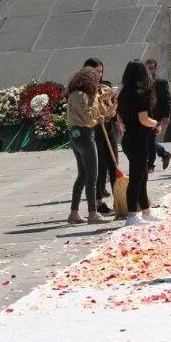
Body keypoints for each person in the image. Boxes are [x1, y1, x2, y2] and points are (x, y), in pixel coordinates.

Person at [117, 60, 161, 226]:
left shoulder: (123, 93)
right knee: (137, 177)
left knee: (142, 175)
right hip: (138, 139)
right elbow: (144, 119)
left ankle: (145, 211)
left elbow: (119, 116)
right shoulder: (140, 93)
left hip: (129, 138)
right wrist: (155, 123)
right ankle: (132, 215)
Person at [65, 67, 111, 225]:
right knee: (92, 175)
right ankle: (93, 213)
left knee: (82, 175)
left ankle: (74, 213)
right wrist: (97, 100)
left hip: (75, 135)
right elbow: (87, 117)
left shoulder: (73, 94)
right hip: (85, 136)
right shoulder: (82, 95)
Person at [84, 59, 117, 215]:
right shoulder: (84, 90)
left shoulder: (105, 87)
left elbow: (112, 109)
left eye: (101, 71)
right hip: (95, 128)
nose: (99, 75)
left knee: (114, 162)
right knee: (99, 166)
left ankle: (119, 199)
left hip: (108, 126)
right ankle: (98, 203)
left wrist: (114, 101)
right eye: (96, 71)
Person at [145, 59, 171, 172]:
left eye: (151, 68)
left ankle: (150, 165)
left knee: (150, 140)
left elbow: (167, 100)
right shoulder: (142, 82)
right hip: (144, 115)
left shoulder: (161, 82)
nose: (149, 70)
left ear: (156, 68)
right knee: (147, 140)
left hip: (156, 116)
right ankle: (164, 153)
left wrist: (166, 116)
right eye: (147, 68)